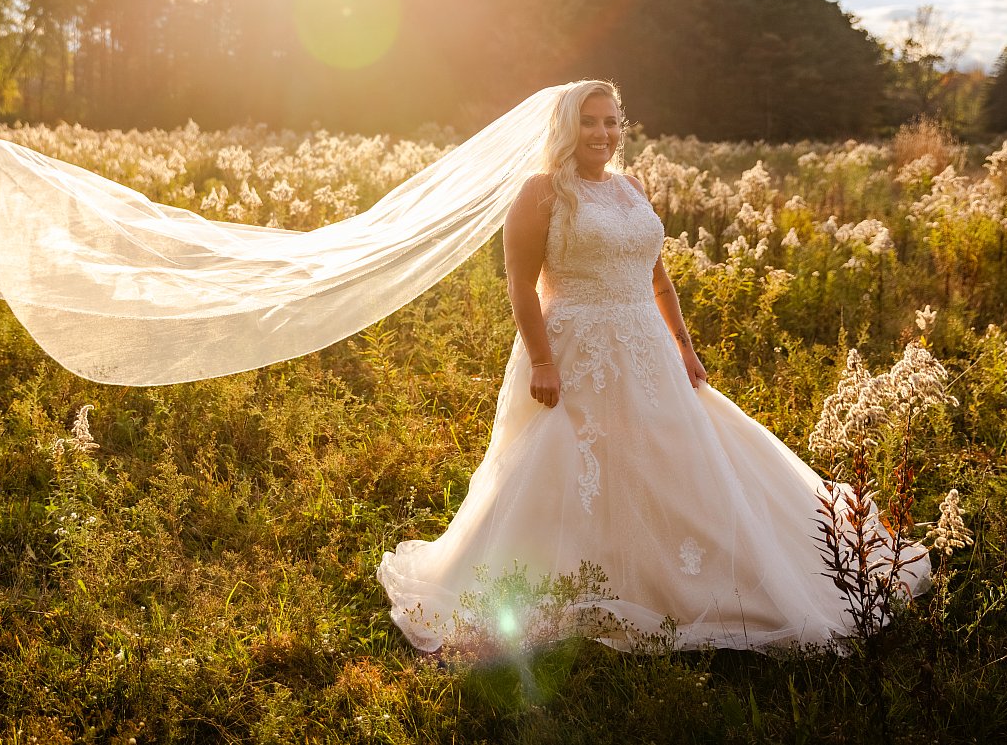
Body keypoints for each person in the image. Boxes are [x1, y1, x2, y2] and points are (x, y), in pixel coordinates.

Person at [375, 79, 931, 653]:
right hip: (574, 352)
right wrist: (542, 359)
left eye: (612, 122)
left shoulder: (631, 187)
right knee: (564, 466)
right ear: (565, 127)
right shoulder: (541, 193)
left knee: (668, 458)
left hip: (646, 348)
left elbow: (657, 275)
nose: (603, 133)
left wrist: (685, 345)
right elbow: (519, 285)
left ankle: (675, 577)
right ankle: (550, 583)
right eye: (589, 121)